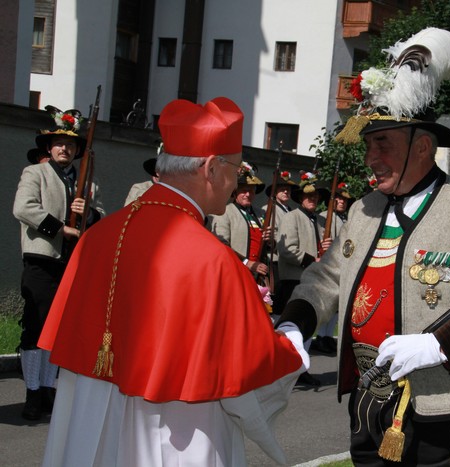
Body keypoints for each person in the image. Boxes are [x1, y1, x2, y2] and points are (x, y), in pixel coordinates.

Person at [276, 27, 450, 465]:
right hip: (367, 394)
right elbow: (327, 278)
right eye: (368, 144)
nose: (370, 157)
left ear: (423, 146)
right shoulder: (363, 209)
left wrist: (440, 345)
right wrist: (294, 324)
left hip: (436, 402)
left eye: (382, 143)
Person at [37, 97, 307, 466]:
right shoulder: (213, 259)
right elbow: (248, 376)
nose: (235, 184)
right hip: (178, 431)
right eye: (235, 170)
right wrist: (293, 342)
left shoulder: (96, 237)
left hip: (87, 420)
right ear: (211, 168)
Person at [12, 106, 106, 420]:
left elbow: (100, 218)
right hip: (42, 260)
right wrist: (61, 228)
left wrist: (88, 214)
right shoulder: (35, 173)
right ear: (49, 148)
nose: (64, 148)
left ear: (78, 150)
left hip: (72, 264)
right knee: (36, 326)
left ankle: (49, 388)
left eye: (70, 144)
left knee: (60, 329)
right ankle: (32, 392)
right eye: (58, 144)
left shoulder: (87, 182)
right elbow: (23, 208)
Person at [277, 172, 331, 386]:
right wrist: (312, 260)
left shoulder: (319, 220)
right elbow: (286, 249)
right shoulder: (291, 217)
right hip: (294, 279)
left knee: (308, 325)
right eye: (309, 196)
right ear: (300, 198)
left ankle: (301, 367)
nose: (313, 199)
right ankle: (287, 368)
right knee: (292, 327)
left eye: (315, 196)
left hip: (312, 279)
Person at [311, 181, 355, 355]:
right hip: (328, 264)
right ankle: (321, 336)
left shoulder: (345, 219)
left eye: (345, 200)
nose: (342, 202)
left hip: (340, 264)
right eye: (339, 199)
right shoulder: (324, 216)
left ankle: (328, 336)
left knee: (337, 304)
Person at [210, 160, 272, 279]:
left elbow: (270, 248)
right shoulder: (224, 212)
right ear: (235, 192)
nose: (248, 194)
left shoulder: (261, 213)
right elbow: (221, 246)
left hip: (258, 275)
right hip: (234, 272)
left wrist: (270, 241)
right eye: (244, 190)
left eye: (251, 191)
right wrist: (246, 262)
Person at [262, 170, 297, 316]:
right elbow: (271, 233)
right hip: (275, 259)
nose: (286, 192)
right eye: (282, 189)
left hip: (289, 259)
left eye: (288, 189)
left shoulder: (290, 211)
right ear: (275, 192)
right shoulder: (268, 209)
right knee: (275, 299)